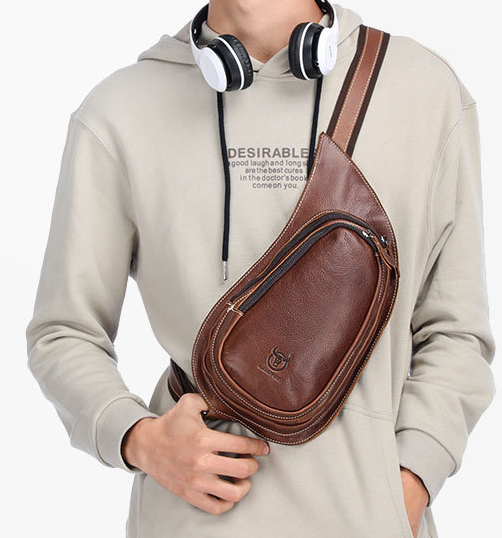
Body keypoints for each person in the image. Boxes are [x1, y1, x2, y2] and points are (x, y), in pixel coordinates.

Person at [25, 1, 496, 537]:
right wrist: (139, 438)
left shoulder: (421, 89)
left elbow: (455, 330)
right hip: (191, 524)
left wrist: (408, 486)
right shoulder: (120, 111)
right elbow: (63, 332)